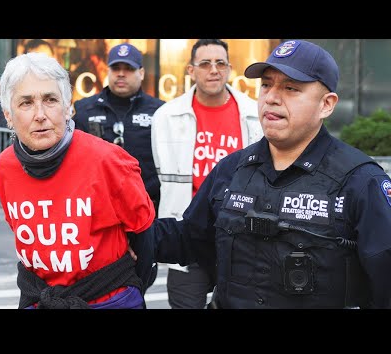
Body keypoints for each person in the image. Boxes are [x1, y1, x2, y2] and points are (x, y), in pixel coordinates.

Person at [142, 40, 391, 309]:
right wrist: (127, 231)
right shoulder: (231, 169)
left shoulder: (361, 182)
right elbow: (189, 238)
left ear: (326, 105)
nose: (271, 97)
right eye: (266, 85)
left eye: (290, 88)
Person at [0, 52, 156, 309]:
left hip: (110, 299)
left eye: (50, 100)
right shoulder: (5, 166)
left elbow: (144, 233)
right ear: (8, 115)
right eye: (26, 103)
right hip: (41, 298)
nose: (40, 114)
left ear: (68, 107)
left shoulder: (109, 160)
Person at [151, 39, 263, 309]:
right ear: (191, 71)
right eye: (205, 64)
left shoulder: (254, 114)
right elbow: (160, 175)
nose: (214, 70)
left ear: (229, 68)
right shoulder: (166, 116)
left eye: (220, 63)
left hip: (240, 237)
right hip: (188, 235)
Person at [74, 43, 165, 214]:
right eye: (116, 68)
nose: (121, 74)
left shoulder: (160, 111)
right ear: (108, 71)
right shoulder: (84, 109)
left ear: (142, 73)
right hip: (98, 207)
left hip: (147, 207)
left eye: (129, 68)